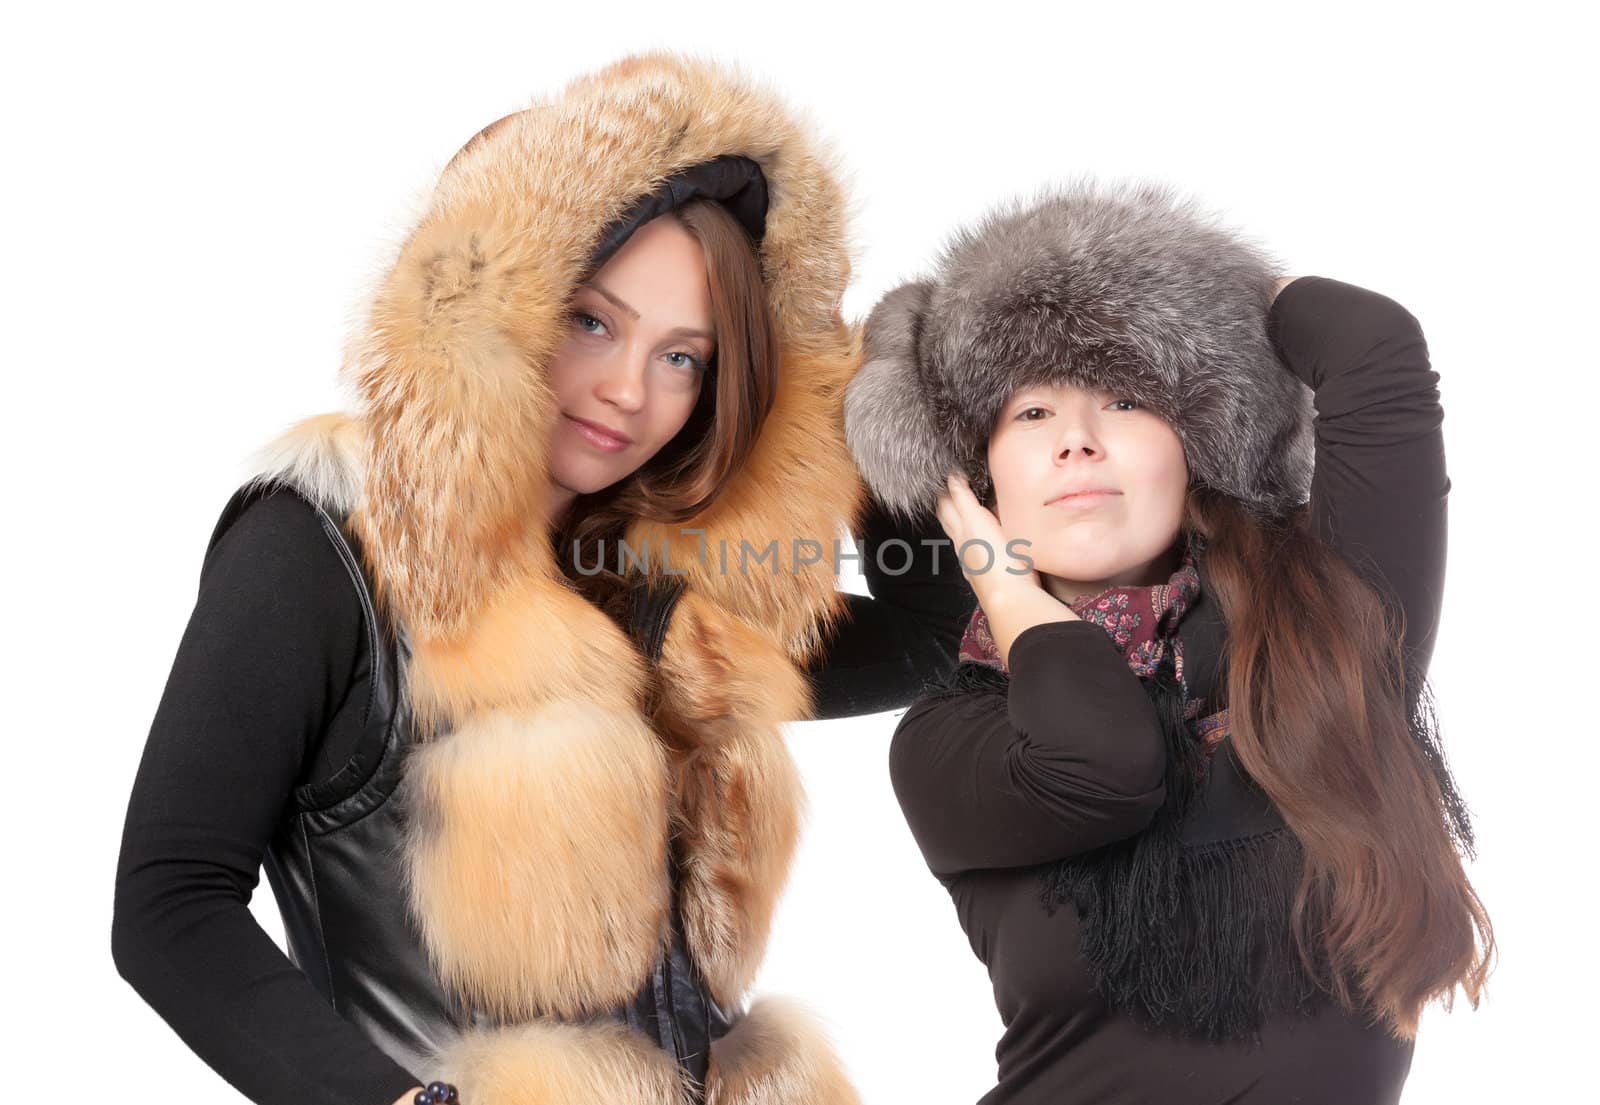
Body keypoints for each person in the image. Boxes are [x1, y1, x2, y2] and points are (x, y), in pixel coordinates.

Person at [112, 53, 974, 1105]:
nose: (626, 391)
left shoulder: (657, 596)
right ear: (491, 311)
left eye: (683, 358)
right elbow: (169, 905)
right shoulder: (323, 546)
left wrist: (842, 385)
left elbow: (943, 630)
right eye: (592, 321)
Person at [846, 182, 1493, 1104]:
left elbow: (1372, 346)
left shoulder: (1320, 625)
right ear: (975, 482)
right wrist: (1003, 585)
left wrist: (1191, 295)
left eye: (1122, 395)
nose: (1076, 440)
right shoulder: (949, 737)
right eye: (1029, 413)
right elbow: (1104, 763)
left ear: (1194, 434)